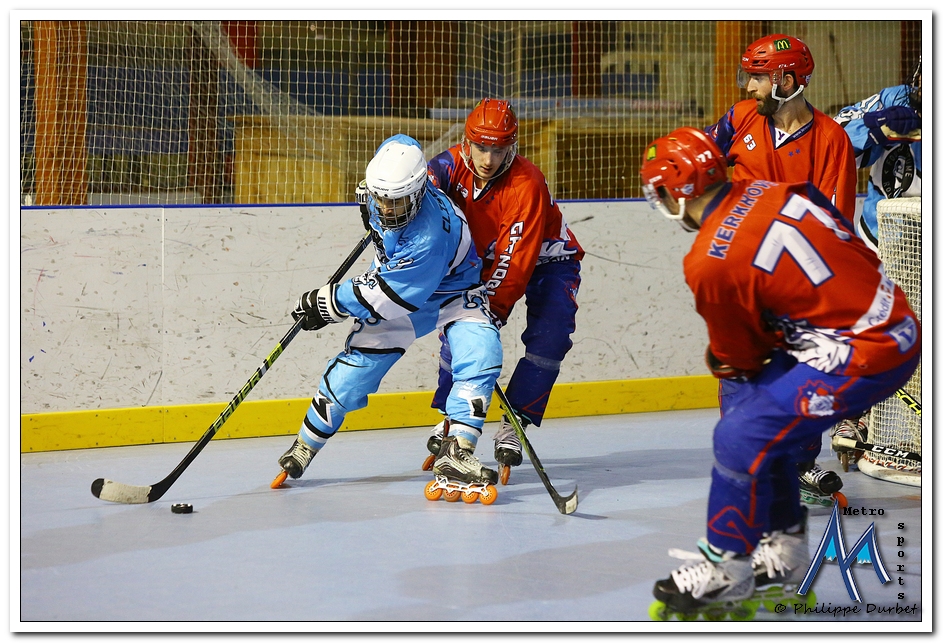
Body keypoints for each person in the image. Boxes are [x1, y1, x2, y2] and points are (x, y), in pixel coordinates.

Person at [640, 127, 920, 619]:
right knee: (766, 426)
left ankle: (725, 567)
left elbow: (737, 357)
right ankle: (784, 554)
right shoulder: (768, 188)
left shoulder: (709, 260)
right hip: (888, 317)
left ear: (676, 191)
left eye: (660, 191)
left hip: (863, 350)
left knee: (739, 435)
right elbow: (834, 225)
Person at [276, 134, 504, 493]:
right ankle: (306, 442)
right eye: (380, 199)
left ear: (417, 193)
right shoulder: (382, 193)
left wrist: (329, 302)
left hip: (452, 293)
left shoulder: (430, 234)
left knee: (482, 351)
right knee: (356, 370)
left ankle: (458, 448)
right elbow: (399, 147)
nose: (385, 209)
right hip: (399, 284)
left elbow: (390, 295)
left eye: (396, 202)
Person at [705, 33, 859, 504]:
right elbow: (701, 159)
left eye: (757, 77)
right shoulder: (740, 118)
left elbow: (833, 223)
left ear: (786, 80)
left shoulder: (831, 140)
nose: (748, 86)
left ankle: (798, 464)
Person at [425, 98, 584, 482]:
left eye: (498, 150)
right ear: (467, 142)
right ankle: (451, 415)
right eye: (481, 148)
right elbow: (421, 192)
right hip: (485, 261)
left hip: (548, 261)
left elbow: (515, 264)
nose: (488, 159)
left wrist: (488, 317)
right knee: (458, 338)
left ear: (511, 147)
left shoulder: (526, 183)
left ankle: (516, 420)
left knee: (550, 338)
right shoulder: (448, 166)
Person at [829, 56, 922, 461]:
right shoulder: (893, 100)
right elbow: (829, 141)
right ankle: (854, 417)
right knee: (870, 335)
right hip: (881, 240)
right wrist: (873, 127)